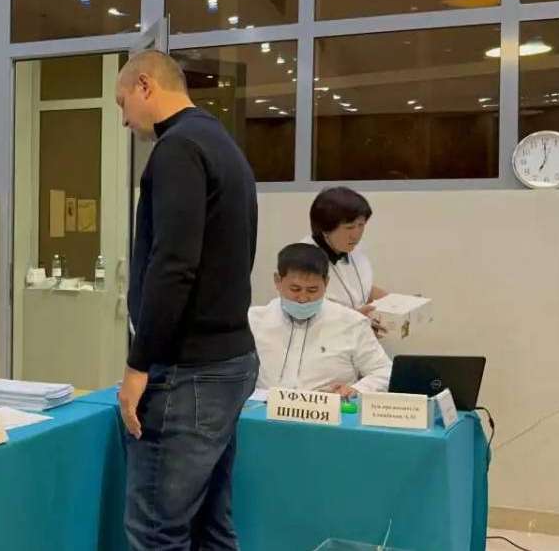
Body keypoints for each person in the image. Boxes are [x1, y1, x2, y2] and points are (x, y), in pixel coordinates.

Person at [115, 50, 260, 550]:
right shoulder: (223, 144)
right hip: (231, 360)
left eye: (123, 102)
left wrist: (139, 365)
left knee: (157, 530)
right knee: (210, 526)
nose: (124, 118)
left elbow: (173, 265)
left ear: (145, 85)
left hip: (188, 371)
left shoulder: (178, 149)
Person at [249, 244, 392, 397]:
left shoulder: (351, 323)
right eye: (295, 289)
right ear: (277, 281)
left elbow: (384, 371)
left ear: (326, 283)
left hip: (327, 415)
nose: (303, 298)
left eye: (312, 290)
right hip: (261, 413)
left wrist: (357, 390)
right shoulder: (253, 321)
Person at [304, 186, 388, 317]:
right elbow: (306, 314)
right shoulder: (302, 259)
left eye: (361, 225)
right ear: (325, 229)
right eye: (349, 227)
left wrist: (398, 303)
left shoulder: (351, 248)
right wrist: (355, 320)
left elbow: (361, 290)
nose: (356, 235)